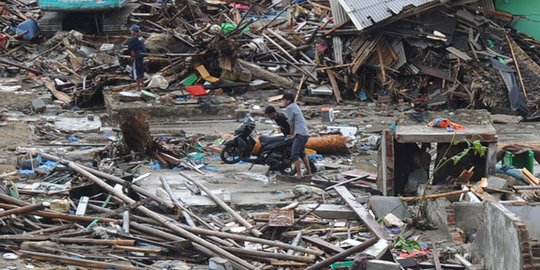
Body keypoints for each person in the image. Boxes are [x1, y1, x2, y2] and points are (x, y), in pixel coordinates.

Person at [282, 92, 312, 178]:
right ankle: (309, 173)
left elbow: (291, 123)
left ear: (288, 100)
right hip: (305, 133)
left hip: (300, 134)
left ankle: (299, 174)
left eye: (284, 100)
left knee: (294, 154)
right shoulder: (295, 106)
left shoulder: (289, 108)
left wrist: (291, 134)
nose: (283, 102)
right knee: (302, 153)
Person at [127, 24, 146, 91]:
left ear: (134, 31)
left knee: (136, 72)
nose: (131, 32)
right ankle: (143, 86)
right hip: (141, 56)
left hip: (136, 57)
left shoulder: (134, 39)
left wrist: (132, 55)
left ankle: (138, 87)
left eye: (131, 30)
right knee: (141, 71)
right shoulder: (141, 38)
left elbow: (129, 48)